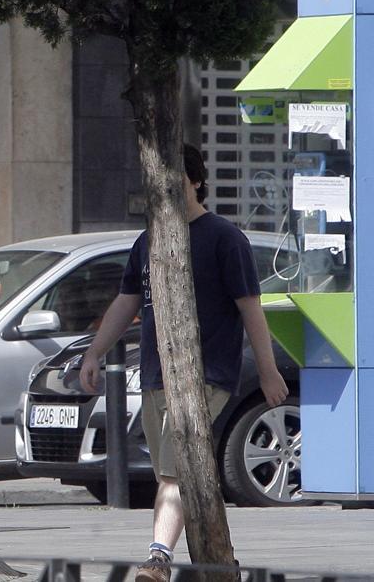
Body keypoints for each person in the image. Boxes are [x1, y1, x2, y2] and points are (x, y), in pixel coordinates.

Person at [78, 144, 288, 582]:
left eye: (176, 181)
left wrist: (267, 371)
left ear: (196, 181)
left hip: (208, 373)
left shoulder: (225, 239)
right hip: (157, 374)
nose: (167, 192)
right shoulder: (148, 240)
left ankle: (158, 559)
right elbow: (126, 301)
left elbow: (251, 308)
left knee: (174, 470)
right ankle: (216, 561)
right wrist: (95, 351)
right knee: (180, 474)